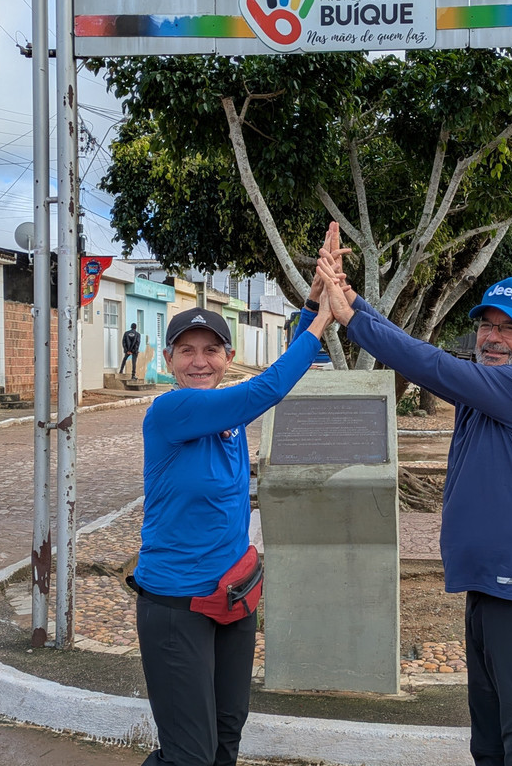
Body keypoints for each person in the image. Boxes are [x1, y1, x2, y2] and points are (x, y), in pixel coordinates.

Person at [315, 231, 512, 766]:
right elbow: (436, 362)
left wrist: (352, 318)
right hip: (489, 596)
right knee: (490, 749)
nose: (494, 337)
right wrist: (353, 297)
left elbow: (432, 365)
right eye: (486, 324)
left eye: (511, 328)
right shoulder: (480, 396)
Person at [130, 237, 340, 766]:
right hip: (176, 605)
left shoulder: (227, 421)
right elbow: (263, 389)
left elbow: (254, 393)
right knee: (189, 755)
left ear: (227, 357)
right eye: (187, 350)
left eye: (211, 350)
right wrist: (321, 324)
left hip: (232, 597)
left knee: (226, 738)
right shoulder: (171, 412)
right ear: (169, 360)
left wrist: (314, 304)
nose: (199, 360)